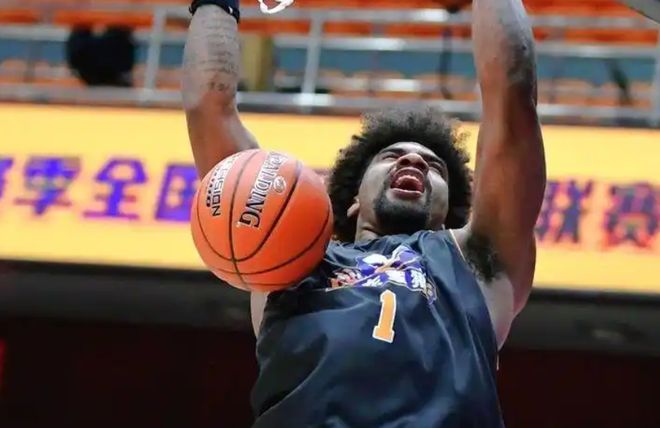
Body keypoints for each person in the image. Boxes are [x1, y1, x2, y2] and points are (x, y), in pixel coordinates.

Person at [183, 0, 545, 426]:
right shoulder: (287, 260)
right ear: (353, 198)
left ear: (450, 210)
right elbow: (208, 109)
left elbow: (513, 91)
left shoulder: (477, 261)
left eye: (435, 167)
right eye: (391, 156)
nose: (413, 161)